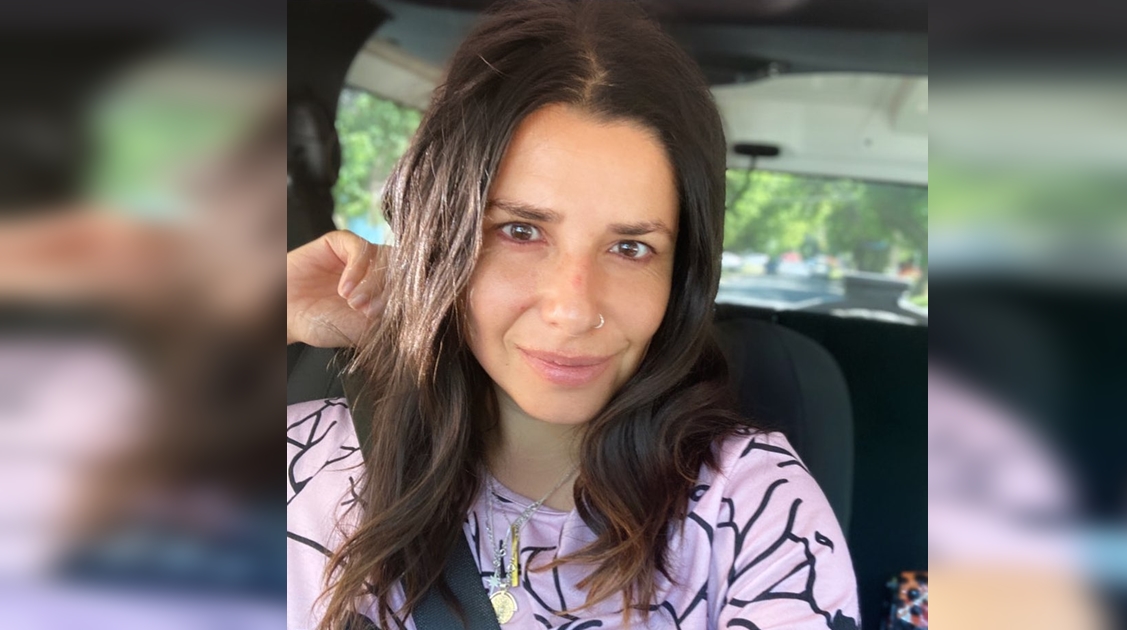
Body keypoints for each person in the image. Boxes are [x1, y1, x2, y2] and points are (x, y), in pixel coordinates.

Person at [286, 2, 858, 628]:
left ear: (681, 274)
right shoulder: (306, 462)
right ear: (442, 237)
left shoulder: (754, 509)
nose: (572, 310)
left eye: (631, 247)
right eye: (520, 231)